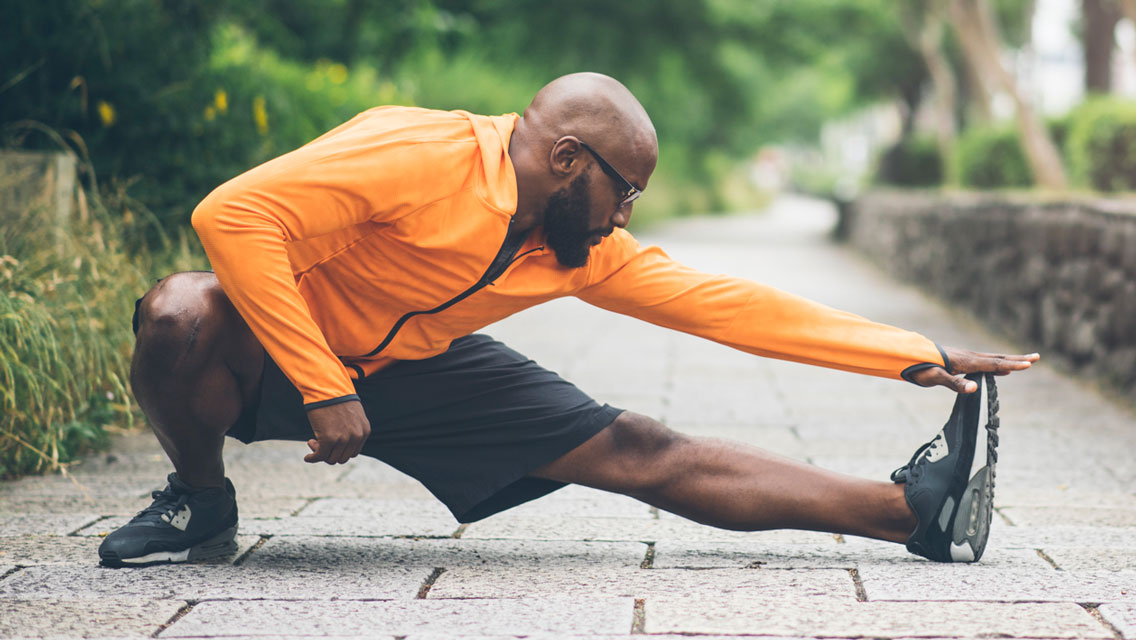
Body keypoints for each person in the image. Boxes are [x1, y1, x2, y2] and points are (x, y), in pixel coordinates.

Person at [98, 73, 1038, 568]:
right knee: (181, 312)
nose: (627, 213)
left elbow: (729, 307)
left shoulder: (570, 246)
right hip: (281, 349)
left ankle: (915, 516)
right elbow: (233, 216)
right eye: (623, 190)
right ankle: (200, 498)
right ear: (566, 156)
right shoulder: (416, 152)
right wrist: (321, 381)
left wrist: (912, 355)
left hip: (413, 371)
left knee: (640, 446)